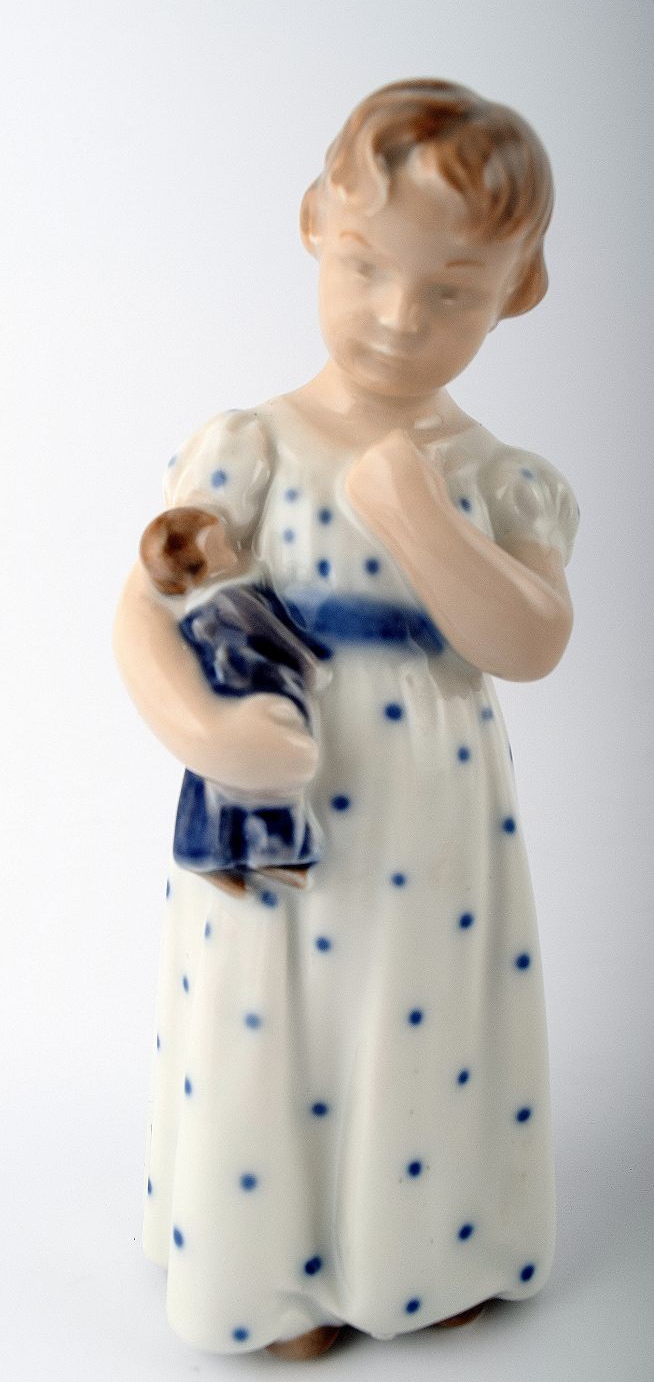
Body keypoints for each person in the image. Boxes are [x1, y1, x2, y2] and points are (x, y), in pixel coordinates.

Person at [114, 78, 579, 1359]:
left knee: (422, 1016)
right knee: (273, 1026)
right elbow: (143, 608)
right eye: (368, 265)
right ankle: (267, 1273)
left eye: (453, 291)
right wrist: (204, 732)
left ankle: (426, 1252)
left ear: (519, 290)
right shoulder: (249, 445)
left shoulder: (501, 479)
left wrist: (419, 513)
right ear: (316, 223)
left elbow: (532, 640)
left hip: (435, 806)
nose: (398, 317)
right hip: (283, 791)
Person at [139, 505, 324, 895]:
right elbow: (276, 639)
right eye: (218, 545)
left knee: (223, 790)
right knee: (255, 785)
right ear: (199, 567)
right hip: (253, 689)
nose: (229, 546)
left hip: (242, 693)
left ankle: (217, 854)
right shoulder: (228, 600)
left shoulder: (211, 601)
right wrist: (309, 667)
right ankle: (260, 855)